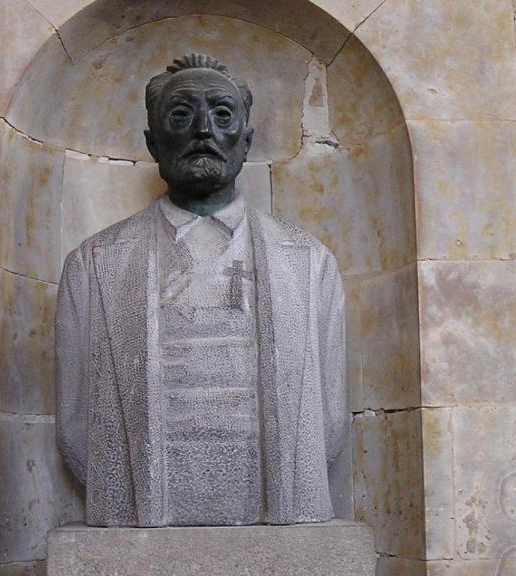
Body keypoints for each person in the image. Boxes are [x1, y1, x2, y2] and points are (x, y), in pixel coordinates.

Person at [55, 53, 347, 527]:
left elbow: (328, 421)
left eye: (223, 115)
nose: (203, 130)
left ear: (246, 141)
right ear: (153, 142)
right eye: (180, 115)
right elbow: (75, 424)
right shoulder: (94, 266)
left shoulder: (308, 264)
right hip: (135, 517)